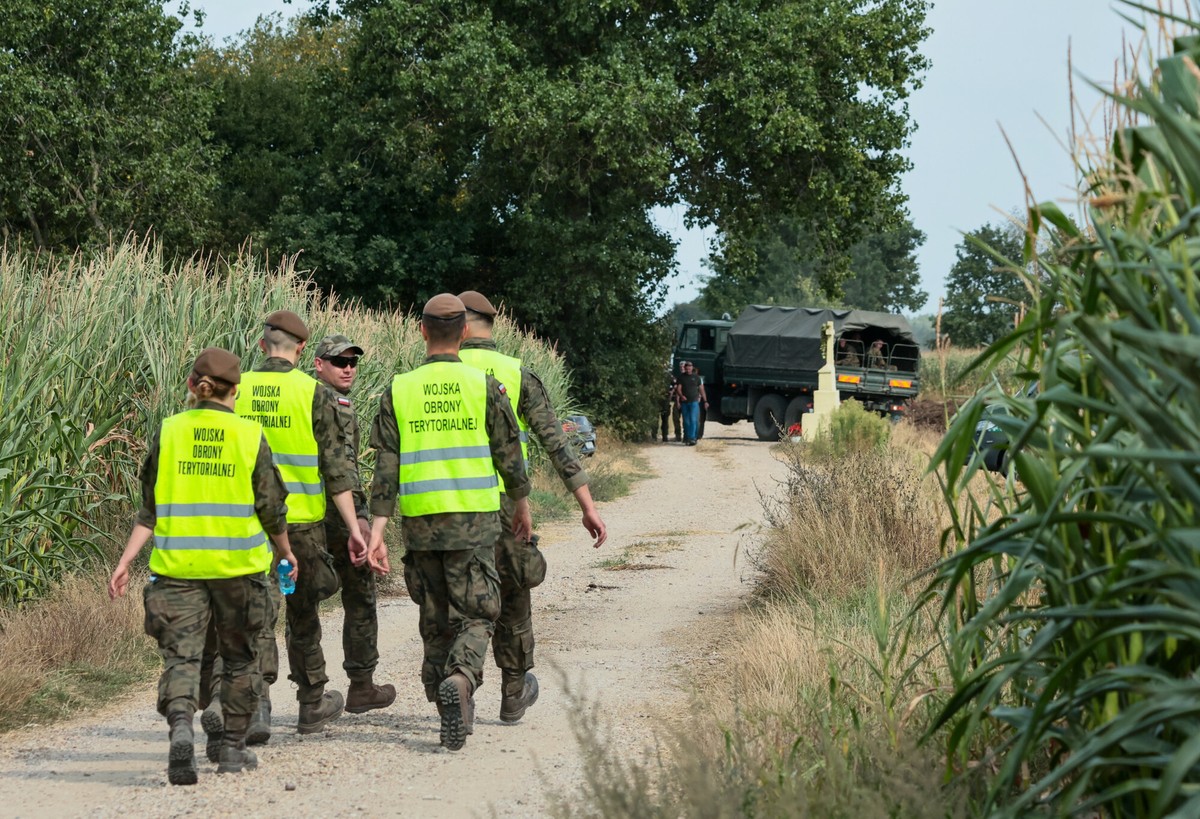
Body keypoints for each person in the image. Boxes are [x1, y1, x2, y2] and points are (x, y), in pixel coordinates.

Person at [108, 348, 298, 784]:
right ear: (236, 390)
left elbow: (149, 509)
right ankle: (231, 749)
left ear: (193, 386)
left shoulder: (169, 431)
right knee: (239, 659)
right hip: (239, 570)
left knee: (181, 658)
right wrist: (287, 551)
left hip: (178, 568)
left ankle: (180, 728)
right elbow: (271, 509)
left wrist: (125, 559)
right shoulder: (250, 435)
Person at [363, 293, 531, 751]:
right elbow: (509, 455)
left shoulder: (398, 388)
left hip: (420, 525)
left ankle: (449, 712)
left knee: (435, 618)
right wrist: (521, 504)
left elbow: (386, 470)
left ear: (420, 331)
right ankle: (461, 679)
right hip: (474, 522)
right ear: (463, 333)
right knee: (479, 612)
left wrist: (377, 531)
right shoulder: (484, 384)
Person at [457, 290, 607, 723]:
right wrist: (587, 506)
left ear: (458, 328)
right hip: (507, 504)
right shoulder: (513, 372)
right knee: (514, 592)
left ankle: (461, 683)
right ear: (491, 326)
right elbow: (556, 444)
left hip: (447, 503)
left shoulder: (436, 373)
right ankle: (513, 690)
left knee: (461, 599)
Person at [228, 310, 367, 741]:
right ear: (303, 350)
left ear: (260, 344)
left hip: (245, 523)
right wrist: (356, 528)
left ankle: (256, 705)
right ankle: (311, 703)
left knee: (257, 613)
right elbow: (336, 468)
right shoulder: (313, 392)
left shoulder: (237, 388)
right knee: (303, 614)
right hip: (303, 524)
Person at [311, 334, 396, 714]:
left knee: (302, 597)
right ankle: (360, 684)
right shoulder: (329, 401)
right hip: (332, 513)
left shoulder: (321, 397)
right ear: (318, 363)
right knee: (359, 593)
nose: (347, 368)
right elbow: (342, 468)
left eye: (352, 362)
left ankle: (311, 691)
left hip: (306, 512)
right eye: (338, 361)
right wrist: (360, 520)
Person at [677, 361, 708, 446]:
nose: (688, 369)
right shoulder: (681, 377)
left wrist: (705, 401)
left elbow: (701, 389)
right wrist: (681, 396)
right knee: (686, 421)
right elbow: (679, 389)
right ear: (685, 368)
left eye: (689, 367)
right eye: (686, 368)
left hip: (694, 402)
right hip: (685, 402)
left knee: (693, 420)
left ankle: (693, 438)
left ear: (692, 368)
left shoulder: (697, 377)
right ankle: (687, 437)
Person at [658, 366, 678, 443]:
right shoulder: (655, 375)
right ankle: (654, 435)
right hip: (656, 398)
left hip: (665, 399)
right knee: (655, 419)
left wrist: (671, 392)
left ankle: (665, 436)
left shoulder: (668, 376)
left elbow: (675, 384)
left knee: (665, 419)